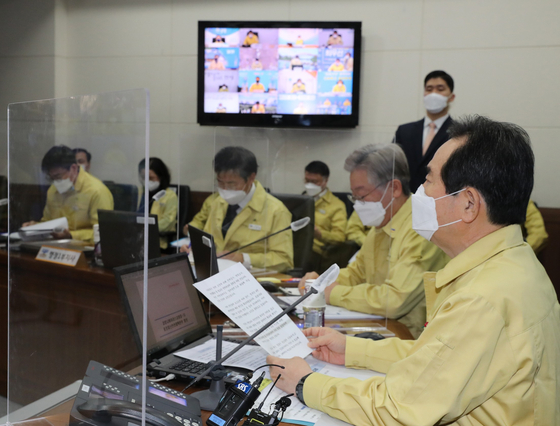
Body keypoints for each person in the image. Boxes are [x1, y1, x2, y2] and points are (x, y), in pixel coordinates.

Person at [269, 116, 560, 425]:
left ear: (469, 204)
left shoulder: (482, 298)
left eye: (429, 180)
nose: (419, 191)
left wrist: (305, 383)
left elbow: (399, 408)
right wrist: (351, 350)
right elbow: (434, 360)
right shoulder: (512, 263)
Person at [299, 144, 448, 338]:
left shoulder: (422, 228)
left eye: (362, 194)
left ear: (394, 188)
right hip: (376, 328)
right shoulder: (382, 224)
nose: (357, 203)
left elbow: (394, 301)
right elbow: (357, 273)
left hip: (409, 340)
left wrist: (332, 292)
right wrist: (320, 283)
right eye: (354, 195)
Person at [189, 146, 293, 272]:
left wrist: (244, 258)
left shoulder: (276, 210)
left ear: (251, 178)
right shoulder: (217, 202)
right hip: (217, 275)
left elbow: (284, 260)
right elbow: (208, 242)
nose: (225, 189)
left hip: (253, 279)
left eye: (232, 183)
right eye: (220, 182)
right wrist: (195, 250)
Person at [22, 145, 113, 243]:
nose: (55, 181)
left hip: (85, 251)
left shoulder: (97, 191)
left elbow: (103, 233)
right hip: (56, 247)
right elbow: (47, 222)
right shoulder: (53, 190)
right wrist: (36, 227)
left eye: (58, 176)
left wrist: (71, 235)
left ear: (73, 168)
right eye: (51, 178)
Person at [394, 70, 455, 193]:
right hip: (406, 199)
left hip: (440, 200)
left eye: (440, 89)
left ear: (451, 97)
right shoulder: (404, 131)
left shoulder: (459, 133)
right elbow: (393, 167)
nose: (434, 94)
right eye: (429, 89)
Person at [303, 161, 347, 258]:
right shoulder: (301, 199)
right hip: (296, 244)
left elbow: (340, 237)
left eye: (314, 182)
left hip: (316, 251)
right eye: (307, 180)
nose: (310, 185)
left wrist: (319, 234)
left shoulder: (336, 205)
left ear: (325, 181)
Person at [138, 158, 178, 250]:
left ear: (161, 177)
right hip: (137, 240)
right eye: (143, 177)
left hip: (158, 243)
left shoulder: (170, 195)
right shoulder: (140, 192)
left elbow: (168, 221)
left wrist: (146, 228)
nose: (146, 181)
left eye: (151, 178)